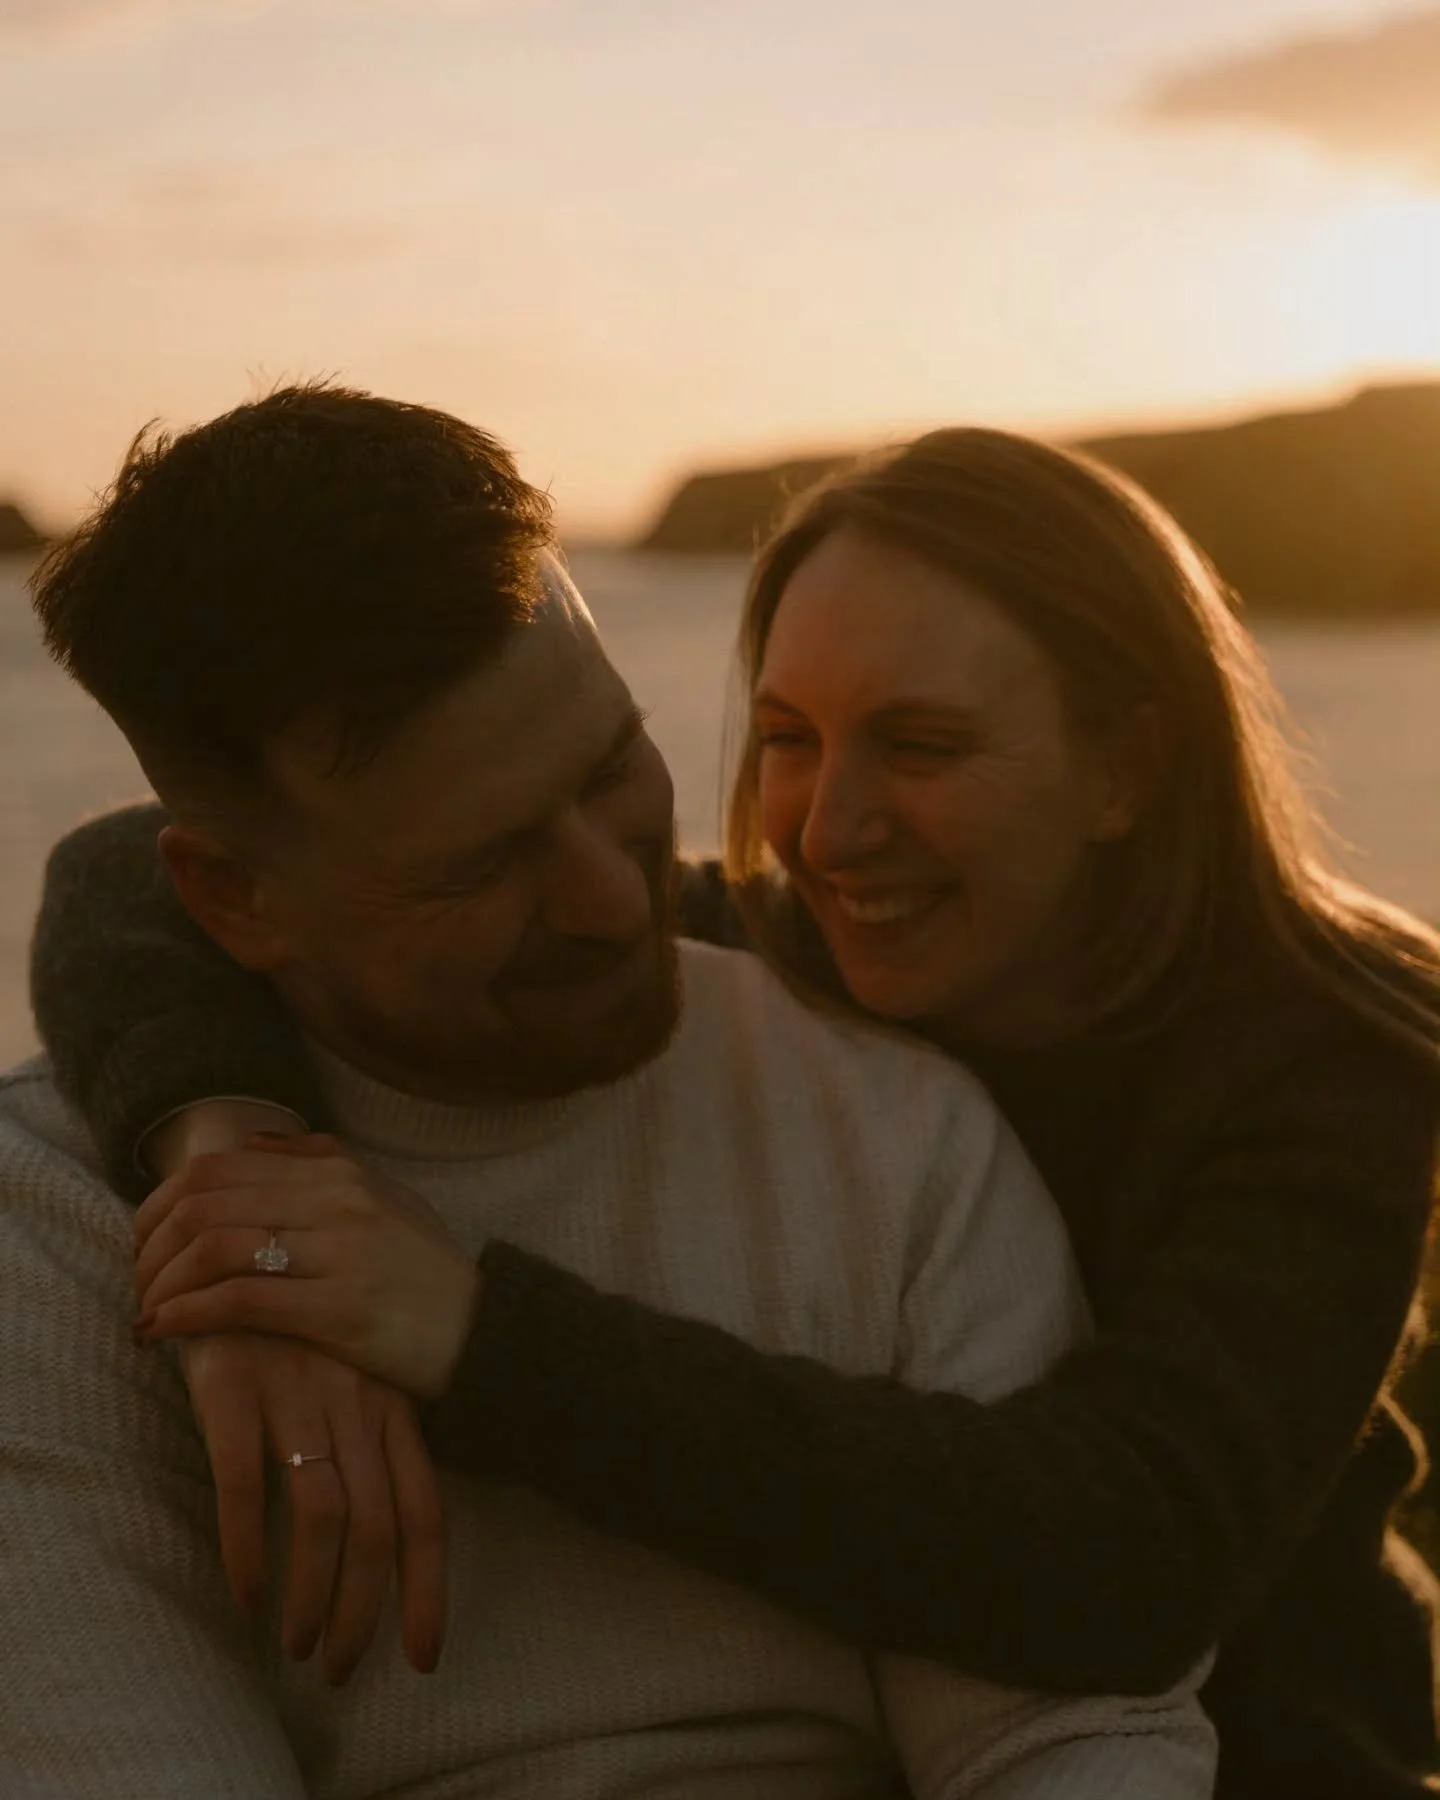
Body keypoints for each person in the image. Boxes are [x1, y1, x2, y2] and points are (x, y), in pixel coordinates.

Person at [29, 405, 1440, 1797]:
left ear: (1126, 766)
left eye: (924, 745)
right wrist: (230, 1161)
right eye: (786, 739)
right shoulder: (780, 942)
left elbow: (1125, 1561)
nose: (826, 832)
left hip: (1286, 1754)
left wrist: (473, 1334)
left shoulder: (1326, 1052)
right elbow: (128, 875)